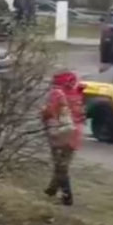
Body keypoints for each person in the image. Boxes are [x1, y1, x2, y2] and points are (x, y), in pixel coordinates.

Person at [42, 71, 83, 206]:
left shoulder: (57, 94)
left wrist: (43, 114)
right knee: (62, 163)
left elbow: (49, 112)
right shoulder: (77, 94)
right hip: (75, 133)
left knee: (60, 166)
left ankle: (67, 196)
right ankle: (51, 190)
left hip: (61, 133)